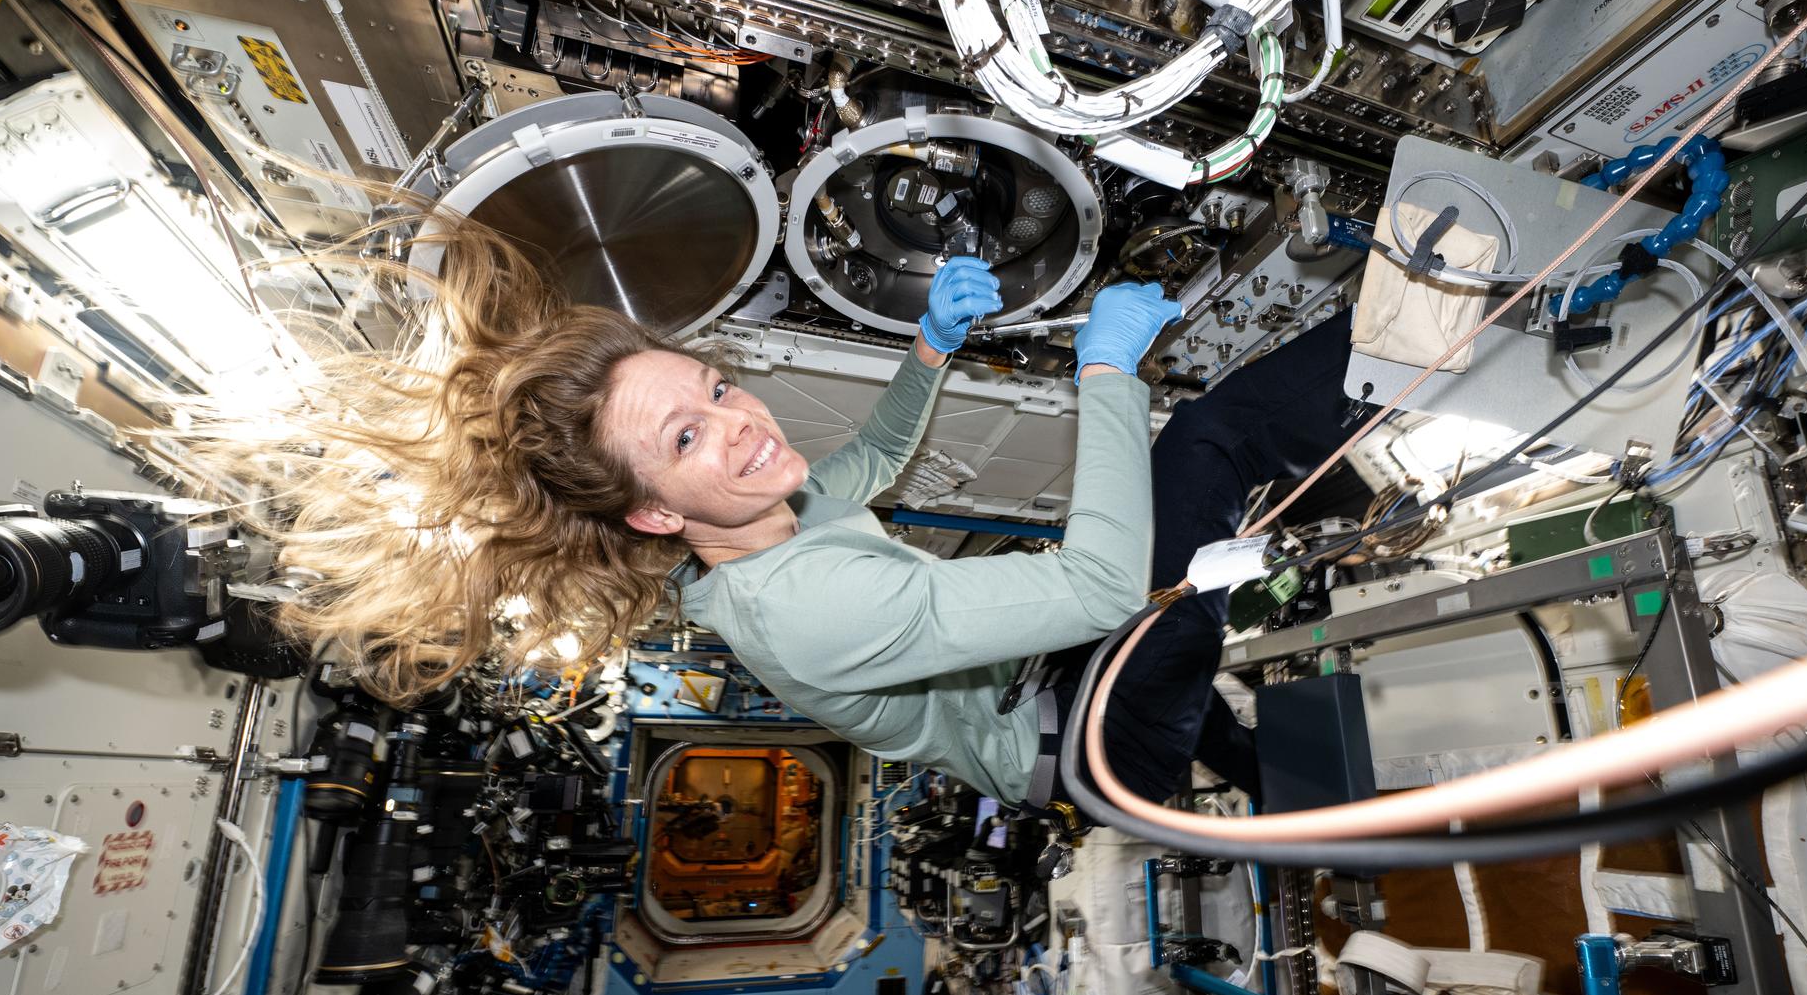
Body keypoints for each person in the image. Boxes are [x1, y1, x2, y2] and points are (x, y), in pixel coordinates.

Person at [211, 217, 1350, 808]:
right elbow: (1102, 587)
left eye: (713, 386)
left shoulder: (757, 519)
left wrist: (928, 347)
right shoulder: (809, 609)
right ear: (654, 515)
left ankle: (1275, 788)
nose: (742, 421)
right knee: (1205, 440)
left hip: (1052, 693)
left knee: (1195, 686)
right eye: (689, 438)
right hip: (1090, 747)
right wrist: (1107, 373)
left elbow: (875, 459)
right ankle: (1459, 327)